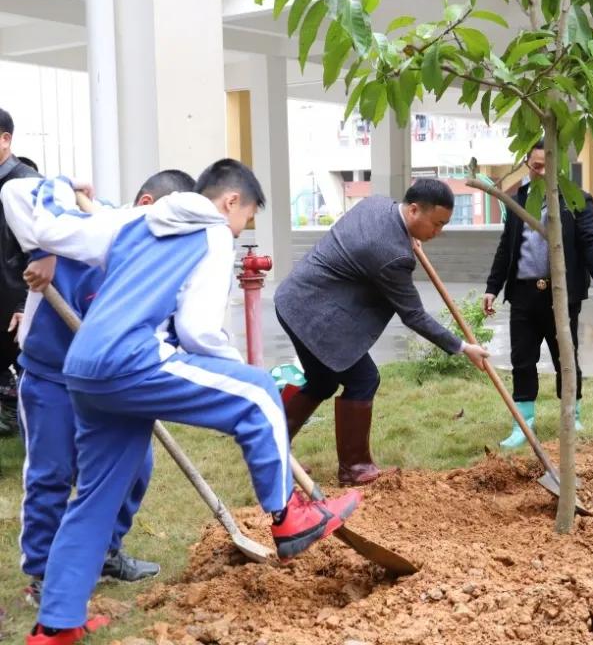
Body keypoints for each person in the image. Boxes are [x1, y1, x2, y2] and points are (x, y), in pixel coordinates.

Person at [22, 160, 358, 644]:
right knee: (258, 392)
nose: (240, 231)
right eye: (245, 219)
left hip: (84, 366)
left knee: (95, 499)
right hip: (130, 358)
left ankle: (55, 624)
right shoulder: (214, 234)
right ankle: (289, 519)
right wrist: (234, 368)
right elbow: (199, 330)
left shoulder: (132, 220)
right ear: (230, 202)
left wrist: (62, 185)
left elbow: (49, 228)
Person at [1, 170, 196, 605]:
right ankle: (43, 572)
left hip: (112, 380)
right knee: (51, 474)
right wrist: (42, 247)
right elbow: (14, 189)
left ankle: (105, 551)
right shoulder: (87, 222)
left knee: (135, 467)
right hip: (53, 375)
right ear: (147, 205)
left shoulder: (158, 258)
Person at [275, 178, 489, 485]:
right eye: (436, 224)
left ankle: (271, 449)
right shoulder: (392, 254)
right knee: (364, 379)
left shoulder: (378, 204)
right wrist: (462, 347)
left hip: (297, 297)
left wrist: (408, 237)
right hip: (312, 312)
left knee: (323, 381)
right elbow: (413, 315)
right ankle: (354, 468)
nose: (438, 233)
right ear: (414, 210)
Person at [483, 141, 593, 448]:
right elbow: (507, 246)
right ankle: (523, 424)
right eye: (535, 166)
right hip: (522, 293)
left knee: (565, 357)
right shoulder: (517, 200)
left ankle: (573, 415)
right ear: (527, 164)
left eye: (547, 166)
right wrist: (493, 287)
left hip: (561, 295)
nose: (541, 172)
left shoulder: (577, 201)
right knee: (522, 359)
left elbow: (590, 243)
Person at [0, 109, 42, 438]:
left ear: (5, 139)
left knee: (36, 386)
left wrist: (24, 304)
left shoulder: (26, 183)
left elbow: (41, 250)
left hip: (19, 304)